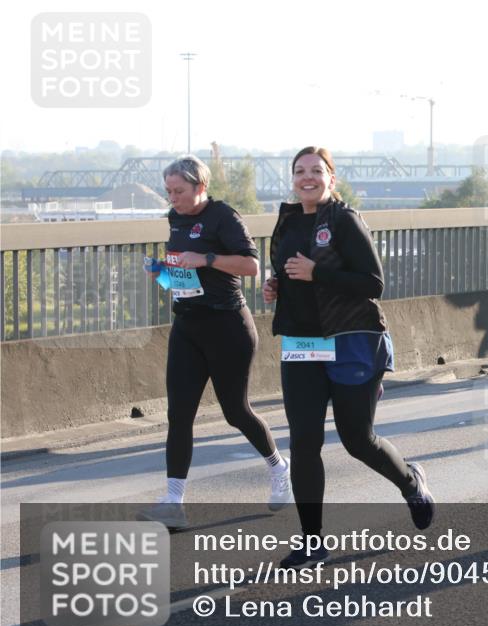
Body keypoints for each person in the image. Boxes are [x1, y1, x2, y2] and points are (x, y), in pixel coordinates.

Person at [263, 146, 434, 567]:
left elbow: (372, 282)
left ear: (331, 179)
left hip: (351, 341)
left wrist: (317, 272)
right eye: (300, 171)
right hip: (302, 345)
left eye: (316, 171)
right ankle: (312, 542)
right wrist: (275, 288)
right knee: (304, 442)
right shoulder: (286, 221)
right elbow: (288, 273)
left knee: (357, 439)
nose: (308, 178)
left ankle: (410, 481)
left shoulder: (344, 219)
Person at [137, 155, 289, 530]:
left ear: (200, 186)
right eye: (168, 191)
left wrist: (204, 257)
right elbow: (181, 281)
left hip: (228, 326)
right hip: (188, 326)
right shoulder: (175, 219)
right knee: (179, 415)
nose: (172, 197)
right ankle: (174, 501)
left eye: (179, 190)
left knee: (235, 412)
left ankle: (279, 468)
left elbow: (251, 267)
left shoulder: (223, 216)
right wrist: (161, 274)